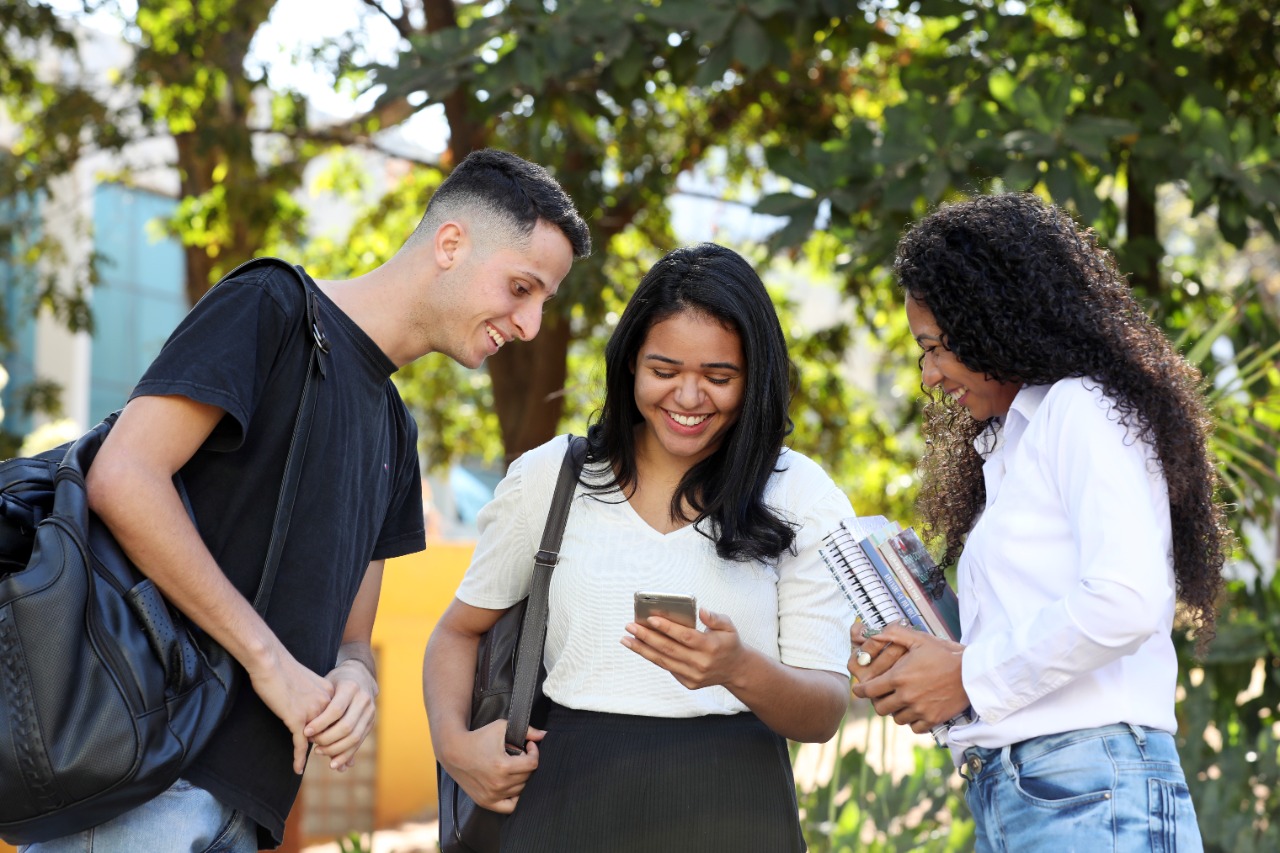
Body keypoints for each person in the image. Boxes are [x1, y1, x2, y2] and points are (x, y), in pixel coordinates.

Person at [25, 149, 590, 852]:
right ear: (451, 243)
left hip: (247, 803)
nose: (530, 324)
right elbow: (125, 475)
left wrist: (355, 677)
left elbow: (354, 636)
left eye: (542, 301)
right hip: (140, 785)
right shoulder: (272, 306)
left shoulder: (395, 429)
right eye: (521, 287)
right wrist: (271, 663)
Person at [423, 243, 855, 852]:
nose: (687, 397)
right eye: (664, 370)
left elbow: (824, 711)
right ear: (630, 364)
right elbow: (458, 632)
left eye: (719, 377)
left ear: (755, 378)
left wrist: (736, 669)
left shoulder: (801, 493)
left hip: (736, 809)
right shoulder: (552, 478)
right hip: (565, 802)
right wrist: (455, 746)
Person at [849, 193, 1227, 851]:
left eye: (937, 347)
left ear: (996, 322)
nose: (931, 376)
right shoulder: (1012, 442)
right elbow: (1031, 624)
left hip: (1089, 789)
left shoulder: (1081, 408)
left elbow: (1127, 599)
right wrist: (916, 652)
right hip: (1032, 791)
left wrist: (966, 674)